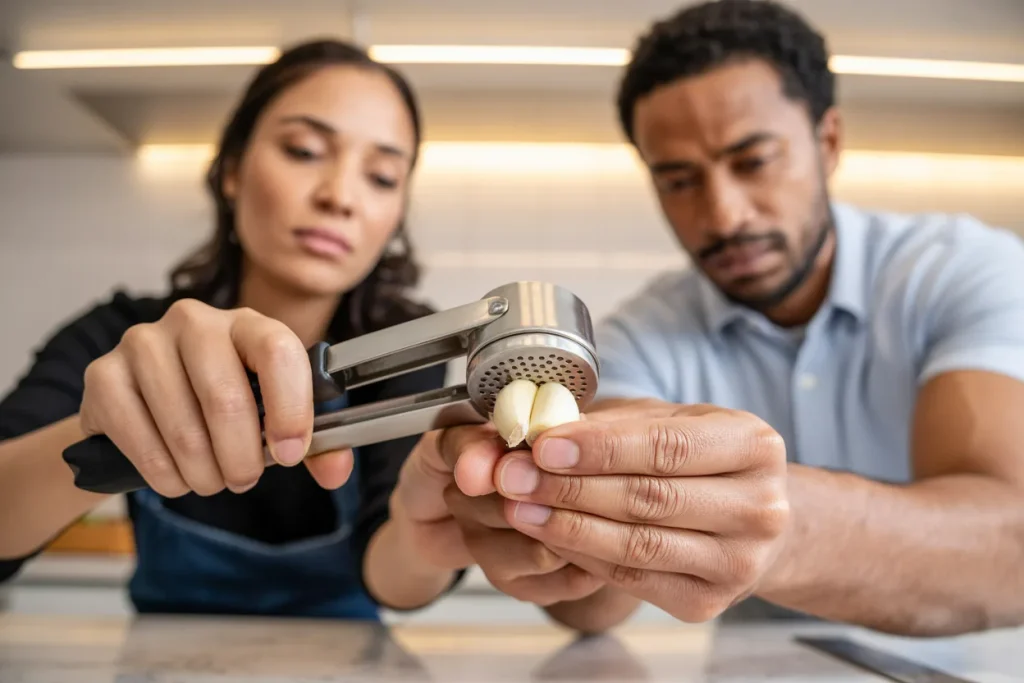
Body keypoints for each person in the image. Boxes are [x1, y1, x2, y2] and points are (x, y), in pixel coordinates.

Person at [433, 0, 1024, 637]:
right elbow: (591, 605)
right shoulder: (642, 334)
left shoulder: (965, 272)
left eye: (753, 161)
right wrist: (549, 527)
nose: (723, 214)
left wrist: (772, 523)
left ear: (828, 143)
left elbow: (1009, 545)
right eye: (680, 180)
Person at [0, 39, 480, 619]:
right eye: (303, 150)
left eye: (381, 177)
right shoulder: (127, 334)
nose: (339, 197)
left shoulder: (404, 345)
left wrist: (429, 539)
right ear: (231, 172)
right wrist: (111, 427)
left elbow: (396, 572)